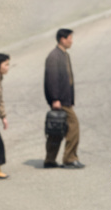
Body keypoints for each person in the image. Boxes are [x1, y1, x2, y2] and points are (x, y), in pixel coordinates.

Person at [43, 28, 84, 169]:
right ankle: (69, 158)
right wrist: (55, 98)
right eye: (69, 38)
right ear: (62, 39)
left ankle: (50, 160)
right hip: (60, 100)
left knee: (57, 130)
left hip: (65, 100)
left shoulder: (64, 55)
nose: (71, 41)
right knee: (73, 127)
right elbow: (52, 79)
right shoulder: (54, 56)